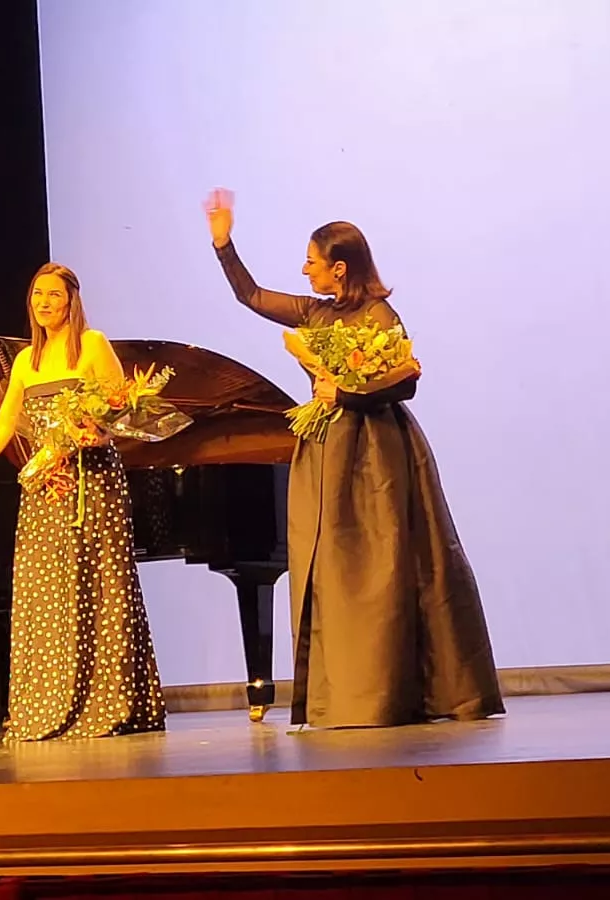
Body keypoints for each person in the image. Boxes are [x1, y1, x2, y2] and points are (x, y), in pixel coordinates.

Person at [201, 188, 504, 729]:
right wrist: (224, 244)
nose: (304, 270)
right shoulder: (314, 311)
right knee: (332, 573)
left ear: (339, 269)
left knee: (385, 567)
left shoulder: (381, 316)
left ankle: (391, 692)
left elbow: (404, 383)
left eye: (312, 262)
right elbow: (250, 296)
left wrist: (345, 393)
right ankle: (340, 696)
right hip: (325, 452)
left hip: (377, 458)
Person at [0, 263, 166, 741]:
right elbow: (2, 428)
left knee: (98, 588)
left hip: (92, 484)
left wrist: (88, 432)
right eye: (37, 294)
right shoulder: (26, 362)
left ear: (71, 301)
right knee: (47, 598)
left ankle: (109, 703)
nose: (44, 303)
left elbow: (119, 412)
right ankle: (49, 705)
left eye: (54, 296)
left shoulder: (93, 345)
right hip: (45, 490)